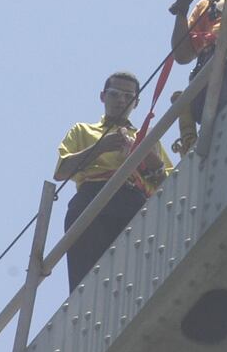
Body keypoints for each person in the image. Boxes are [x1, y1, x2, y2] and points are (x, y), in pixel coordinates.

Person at [54, 72, 173, 292]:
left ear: (136, 103)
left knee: (137, 276)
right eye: (115, 94)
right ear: (103, 96)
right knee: (87, 278)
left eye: (128, 96)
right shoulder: (83, 130)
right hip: (92, 197)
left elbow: (171, 187)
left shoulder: (148, 139)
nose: (121, 100)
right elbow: (61, 171)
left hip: (134, 200)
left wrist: (153, 162)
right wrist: (102, 146)